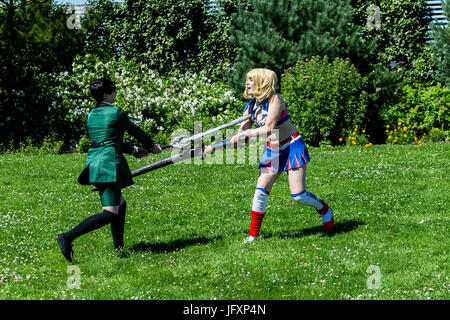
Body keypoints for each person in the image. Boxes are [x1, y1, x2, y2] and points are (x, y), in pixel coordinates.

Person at [204, 68, 334, 243]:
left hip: (291, 146)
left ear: (261, 82)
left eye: (251, 79)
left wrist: (246, 133)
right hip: (273, 150)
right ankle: (253, 236)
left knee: (299, 196)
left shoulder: (275, 99)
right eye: (247, 79)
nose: (247, 83)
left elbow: (269, 127)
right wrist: (215, 147)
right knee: (260, 191)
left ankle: (324, 209)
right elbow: (241, 139)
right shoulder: (251, 106)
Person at [57, 78, 162, 262]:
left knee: (120, 205)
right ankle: (67, 237)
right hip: (108, 165)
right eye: (113, 90)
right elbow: (135, 131)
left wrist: (132, 150)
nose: (115, 93)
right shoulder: (116, 112)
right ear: (105, 94)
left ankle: (119, 249)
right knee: (110, 211)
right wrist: (152, 146)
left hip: (95, 163)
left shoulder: (92, 115)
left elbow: (108, 140)